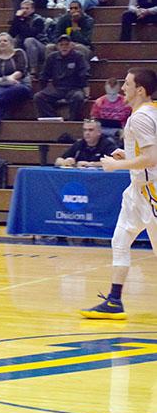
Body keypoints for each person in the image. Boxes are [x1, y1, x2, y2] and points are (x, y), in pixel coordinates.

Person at [81, 68, 157, 319]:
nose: (122, 88)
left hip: (152, 193)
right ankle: (114, 300)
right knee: (120, 240)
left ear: (140, 90)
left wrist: (117, 165)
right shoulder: (148, 113)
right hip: (137, 191)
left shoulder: (141, 118)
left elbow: (151, 158)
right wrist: (129, 157)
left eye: (127, 84)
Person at [0, 32, 32, 130]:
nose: (2, 43)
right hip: (1, 88)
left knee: (16, 89)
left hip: (19, 85)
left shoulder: (19, 53)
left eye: (5, 41)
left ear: (11, 43)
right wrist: (4, 82)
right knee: (0, 94)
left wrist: (10, 78)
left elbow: (22, 70)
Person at [34, 35, 89, 121]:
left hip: (73, 88)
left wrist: (86, 92)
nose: (64, 47)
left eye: (66, 44)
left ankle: (73, 121)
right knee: (38, 97)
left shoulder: (78, 56)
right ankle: (54, 119)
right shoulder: (52, 57)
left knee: (78, 97)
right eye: (61, 45)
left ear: (71, 45)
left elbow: (83, 74)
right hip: (57, 88)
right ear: (57, 46)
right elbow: (44, 75)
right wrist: (43, 89)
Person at [8, 0, 49, 76]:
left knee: (29, 40)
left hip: (40, 46)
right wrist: (17, 19)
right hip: (25, 45)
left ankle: (33, 68)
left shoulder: (38, 20)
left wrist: (21, 20)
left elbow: (29, 33)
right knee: (14, 40)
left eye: (27, 8)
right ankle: (13, 67)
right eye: (22, 8)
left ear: (32, 9)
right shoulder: (20, 19)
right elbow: (11, 34)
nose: (24, 11)